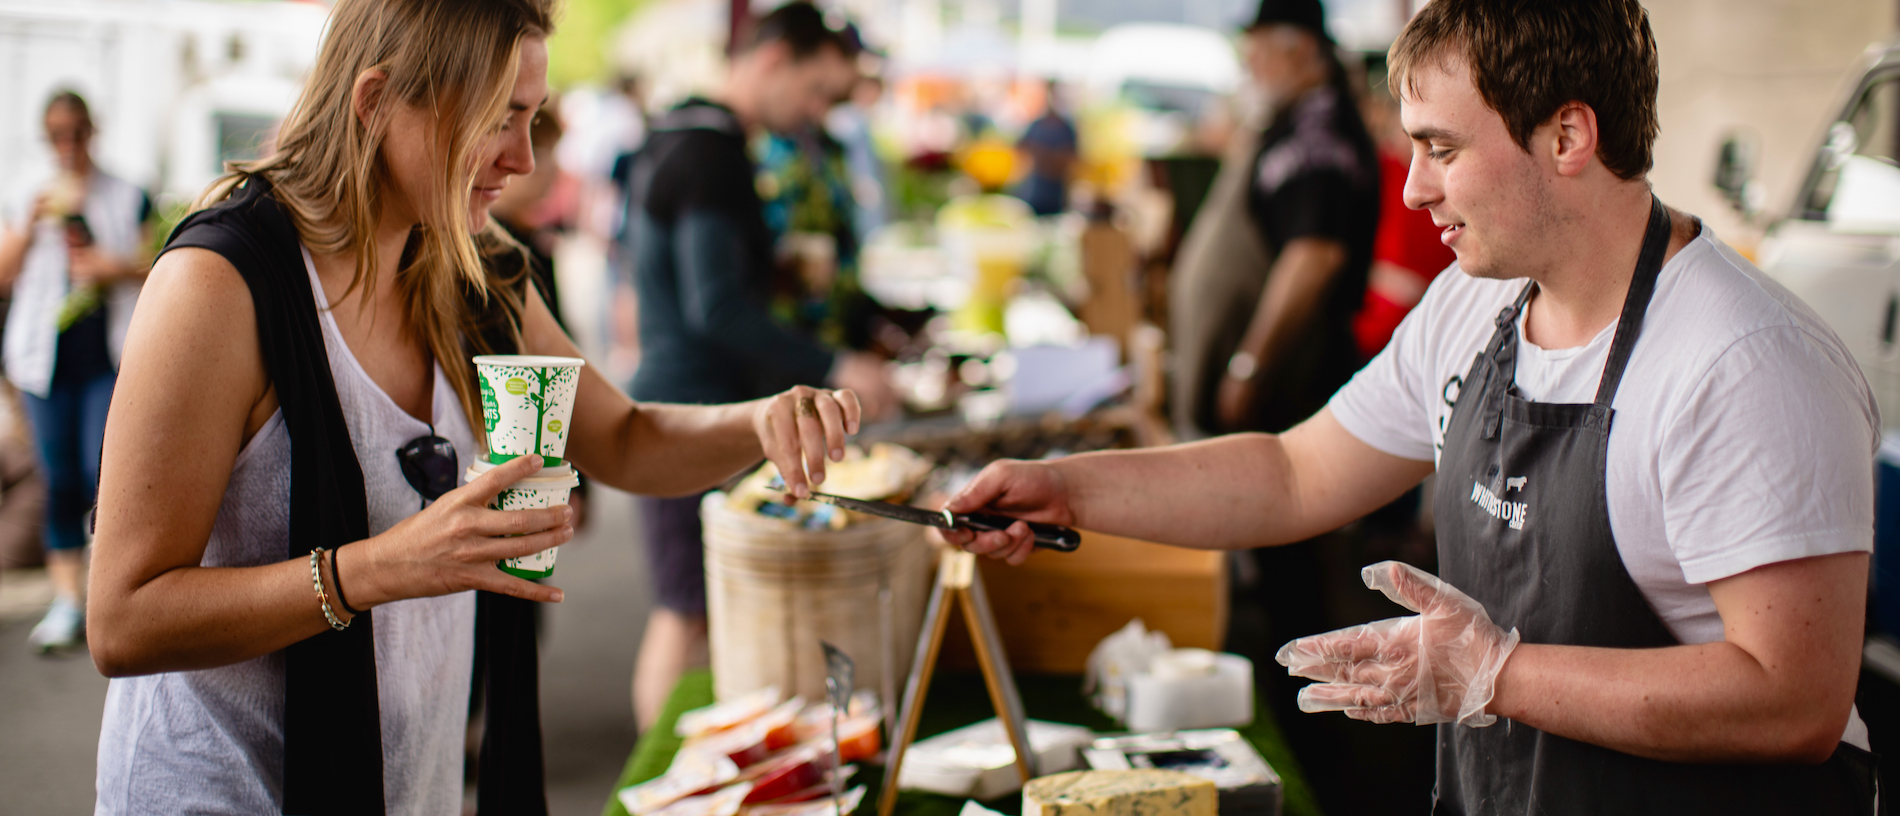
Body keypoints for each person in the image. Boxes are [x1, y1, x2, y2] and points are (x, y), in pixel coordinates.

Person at [944, 0, 1878, 811]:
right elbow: (1293, 472)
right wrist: (1067, 490)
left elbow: (1794, 702)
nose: (1412, 187)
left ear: (1568, 137)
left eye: (1441, 149)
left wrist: (1496, 674)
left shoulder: (1746, 365)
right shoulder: (1476, 305)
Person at [86, 1, 858, 813]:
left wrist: (761, 420)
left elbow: (624, 440)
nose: (524, 159)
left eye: (535, 118)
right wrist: (382, 566)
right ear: (376, 99)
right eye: (499, 119)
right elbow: (123, 619)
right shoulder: (219, 285)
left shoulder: (475, 268)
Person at [620, 0, 895, 731]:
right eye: (816, 93)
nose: (814, 117)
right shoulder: (709, 152)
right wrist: (835, 361)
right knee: (685, 615)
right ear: (774, 59)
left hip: (695, 406)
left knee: (702, 615)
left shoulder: (688, 135)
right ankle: (659, 786)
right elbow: (716, 307)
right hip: (688, 413)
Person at [0, 90, 153, 653]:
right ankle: (67, 602)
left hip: (105, 361)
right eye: (57, 136)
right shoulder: (26, 194)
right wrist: (30, 222)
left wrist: (113, 269)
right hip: (43, 363)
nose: (68, 145)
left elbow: (151, 267)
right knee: (58, 478)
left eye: (77, 133)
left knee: (103, 473)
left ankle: (105, 594)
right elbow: (4, 276)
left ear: (93, 131)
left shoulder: (127, 193)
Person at [1014, 81, 1078, 217]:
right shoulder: (1036, 125)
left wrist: (1039, 155)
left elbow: (1066, 162)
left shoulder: (1066, 128)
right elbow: (1020, 148)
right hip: (1032, 195)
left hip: (1056, 199)